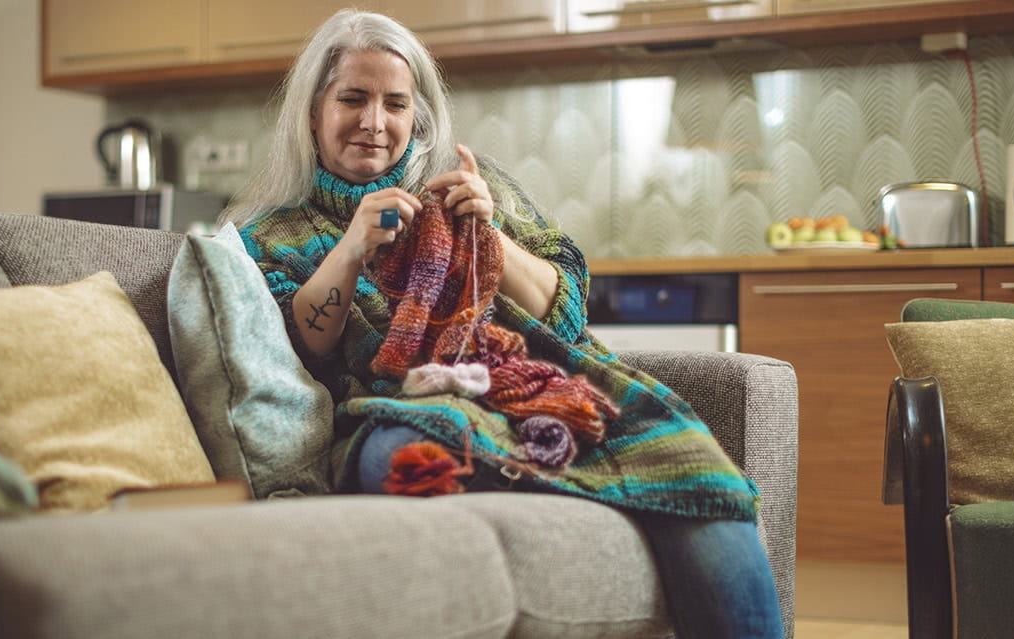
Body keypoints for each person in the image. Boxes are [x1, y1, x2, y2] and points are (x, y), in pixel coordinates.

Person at [222, 9, 784, 638]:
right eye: (353, 98)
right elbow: (303, 349)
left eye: (395, 104)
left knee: (693, 466)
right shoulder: (269, 233)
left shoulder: (475, 189)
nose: (374, 123)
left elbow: (565, 314)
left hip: (543, 393)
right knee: (409, 455)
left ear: (417, 117)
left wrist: (488, 231)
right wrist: (351, 247)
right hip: (401, 410)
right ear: (313, 113)